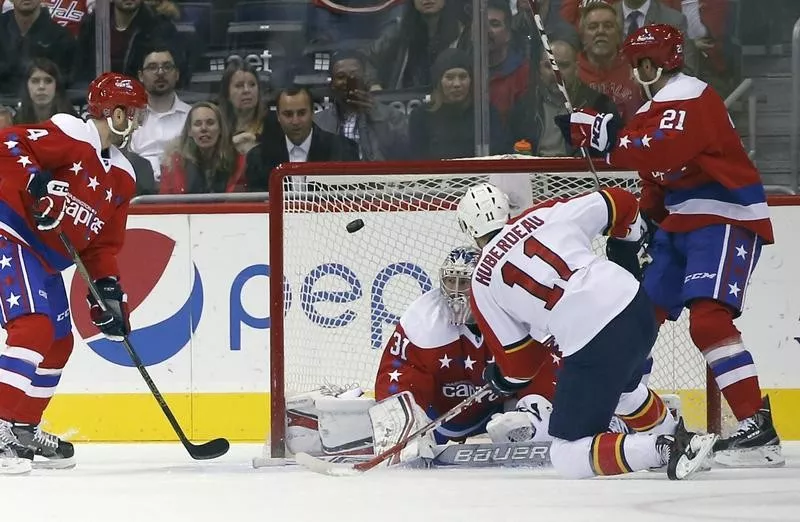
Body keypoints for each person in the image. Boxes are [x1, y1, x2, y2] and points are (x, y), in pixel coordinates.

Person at [554, 24, 783, 468]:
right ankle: (619, 414)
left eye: (645, 60)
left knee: (708, 321)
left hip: (723, 215)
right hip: (679, 225)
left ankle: (758, 429)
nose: (640, 68)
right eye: (636, 61)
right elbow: (655, 176)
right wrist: (641, 225)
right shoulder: (653, 109)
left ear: (663, 60)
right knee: (634, 321)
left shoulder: (691, 94)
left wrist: (604, 137)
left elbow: (659, 149)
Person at [458, 182, 717, 480]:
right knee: (624, 392)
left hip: (593, 338)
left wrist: (501, 381)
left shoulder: (481, 281)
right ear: (506, 209)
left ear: (468, 228)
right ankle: (682, 436)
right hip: (636, 304)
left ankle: (663, 448)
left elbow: (522, 366)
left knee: (566, 454)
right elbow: (620, 201)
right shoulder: (544, 215)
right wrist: (625, 246)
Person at [0, 71, 147, 474]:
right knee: (33, 327)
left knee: (59, 342)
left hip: (46, 258)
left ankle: (22, 428)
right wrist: (34, 183)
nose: (136, 121)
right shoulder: (71, 131)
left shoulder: (123, 176)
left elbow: (103, 244)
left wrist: (108, 292)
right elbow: (8, 143)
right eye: (132, 113)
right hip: (10, 232)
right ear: (113, 111)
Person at [374, 246, 559, 446]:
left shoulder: (518, 312)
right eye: (450, 281)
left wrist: (533, 414)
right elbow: (399, 374)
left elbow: (544, 368)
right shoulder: (422, 318)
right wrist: (400, 422)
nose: (455, 291)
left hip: (500, 413)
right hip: (438, 423)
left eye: (464, 282)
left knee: (535, 421)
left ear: (483, 282)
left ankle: (529, 430)